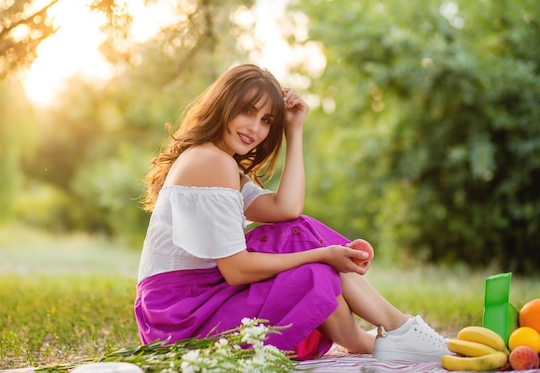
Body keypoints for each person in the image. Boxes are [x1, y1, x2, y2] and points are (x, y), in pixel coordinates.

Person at [134, 64, 450, 362]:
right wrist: (322, 254)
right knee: (310, 255)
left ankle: (385, 336)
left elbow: (287, 210)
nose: (255, 129)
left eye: (267, 120)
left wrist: (294, 131)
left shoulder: (215, 161)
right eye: (247, 112)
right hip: (182, 320)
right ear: (223, 105)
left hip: (189, 305)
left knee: (300, 235)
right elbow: (237, 270)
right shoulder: (212, 162)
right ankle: (399, 329)